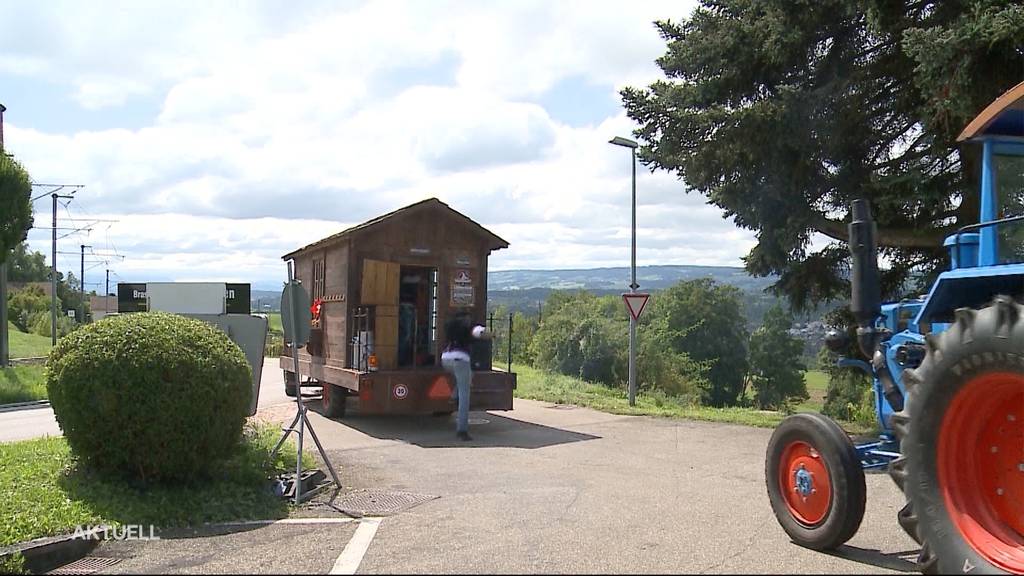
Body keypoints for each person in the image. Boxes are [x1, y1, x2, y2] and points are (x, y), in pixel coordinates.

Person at [441, 312, 489, 441]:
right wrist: (489, 333)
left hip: (445, 359)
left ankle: (454, 395)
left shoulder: (450, 325)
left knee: (466, 376)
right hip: (461, 359)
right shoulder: (469, 327)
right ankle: (462, 430)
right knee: (465, 396)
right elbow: (479, 332)